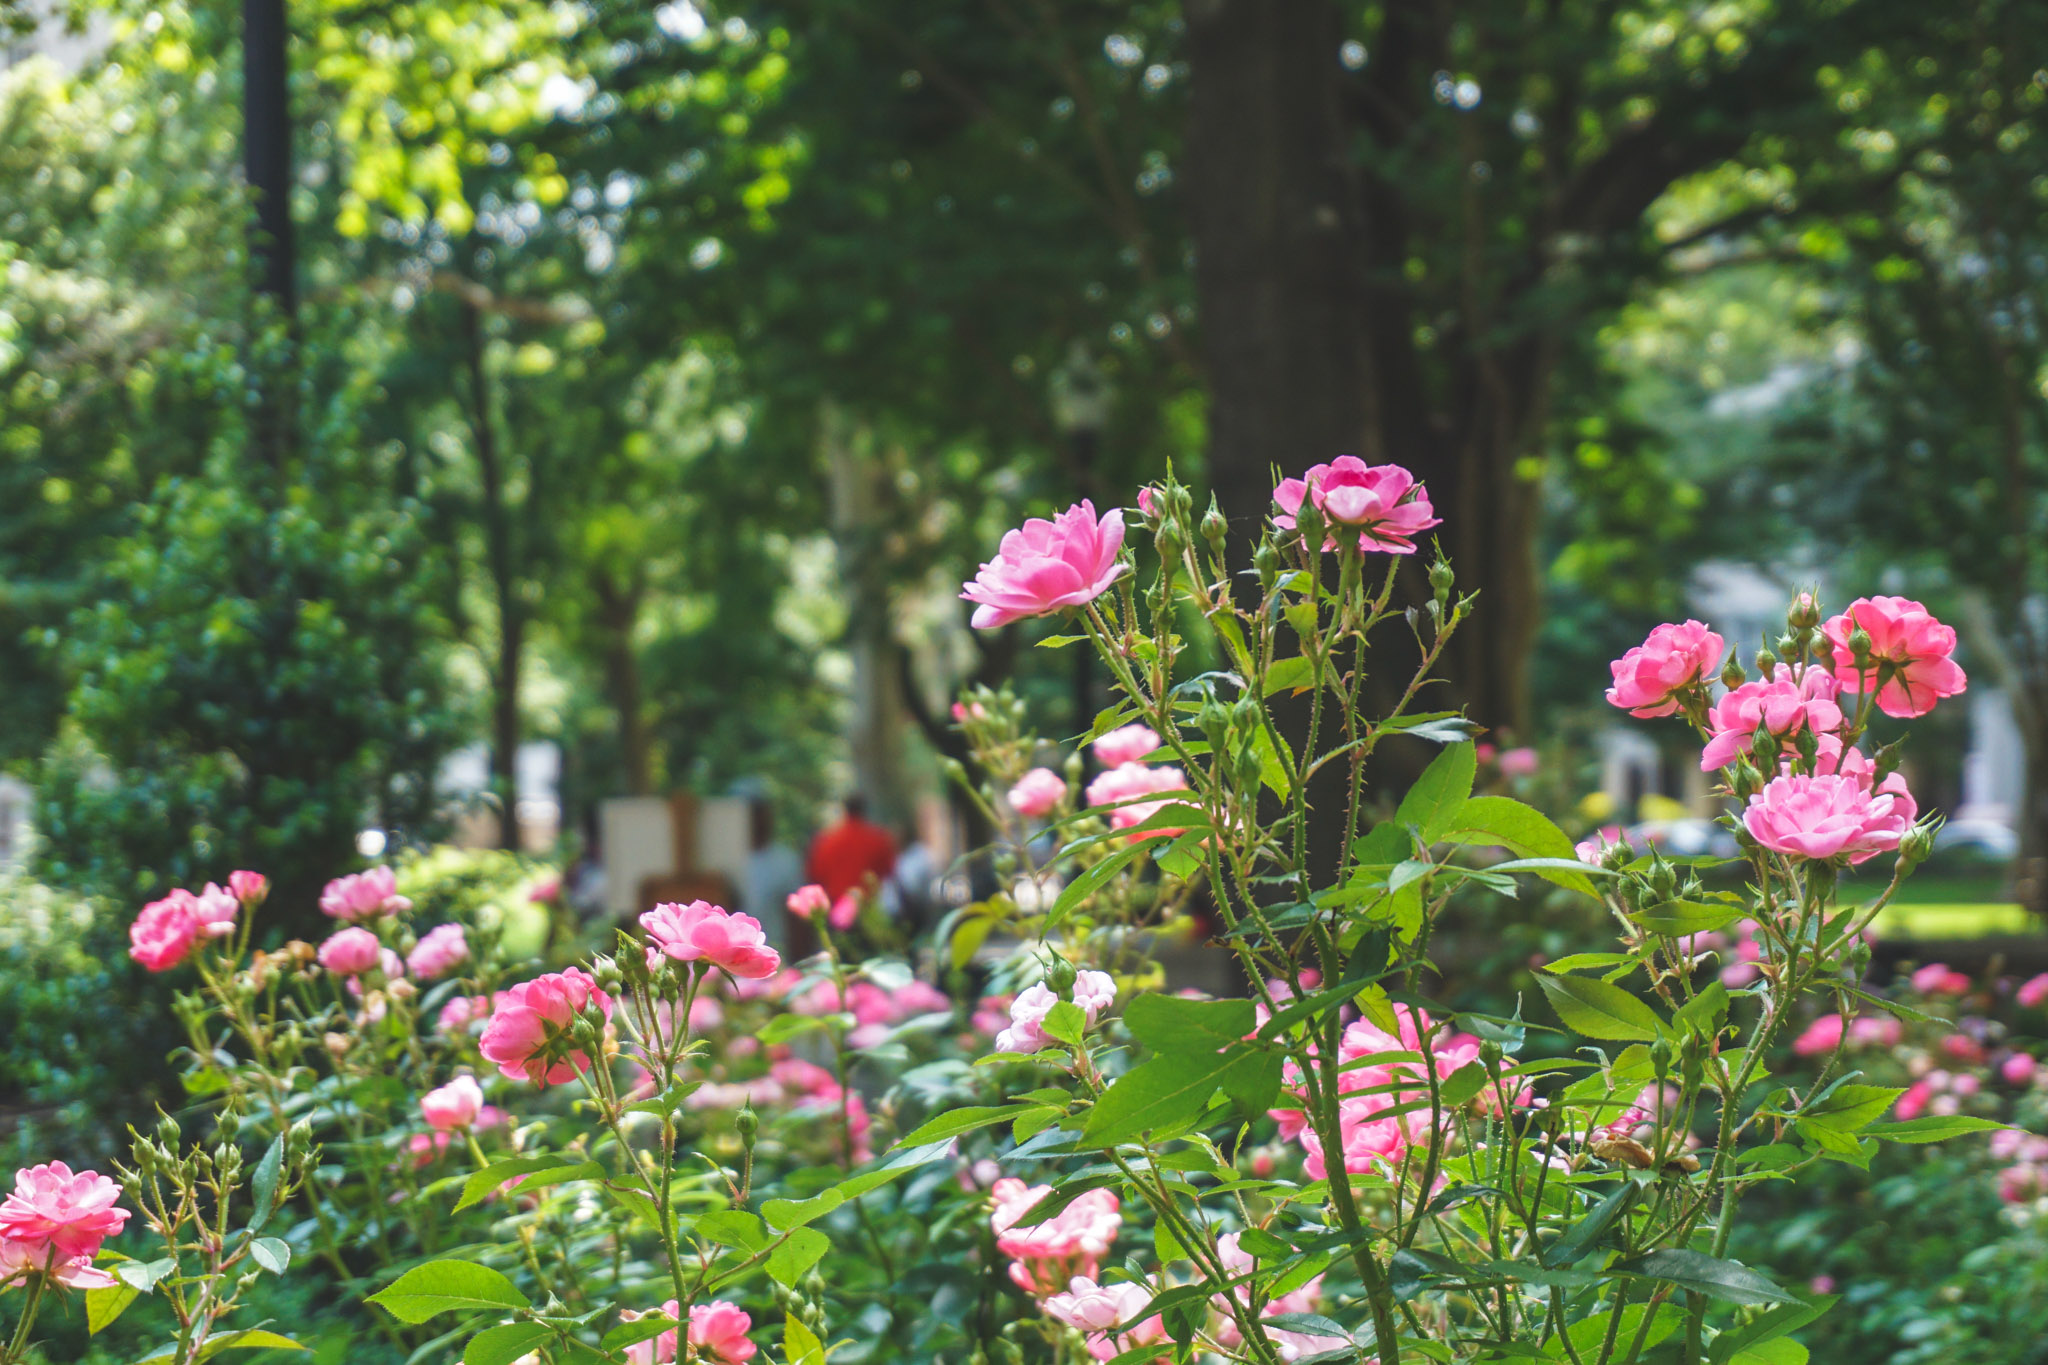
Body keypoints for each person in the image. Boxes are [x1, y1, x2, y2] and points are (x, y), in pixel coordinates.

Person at [805, 795, 898, 904]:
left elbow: (815, 875)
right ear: (864, 810)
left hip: (837, 906)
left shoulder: (826, 842)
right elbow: (889, 871)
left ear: (846, 811)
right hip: (870, 904)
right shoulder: (878, 839)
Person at [740, 798, 804, 949]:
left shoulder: (786, 859)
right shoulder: (726, 859)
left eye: (759, 813)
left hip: (776, 951)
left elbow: (797, 918)